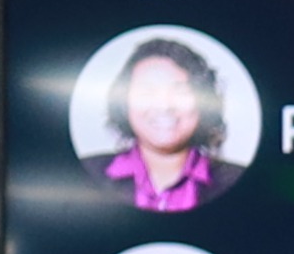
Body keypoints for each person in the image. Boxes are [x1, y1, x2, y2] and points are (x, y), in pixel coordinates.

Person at [88, 38, 239, 212]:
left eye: (180, 91)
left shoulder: (236, 180)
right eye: (147, 92)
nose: (164, 106)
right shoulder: (86, 173)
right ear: (124, 104)